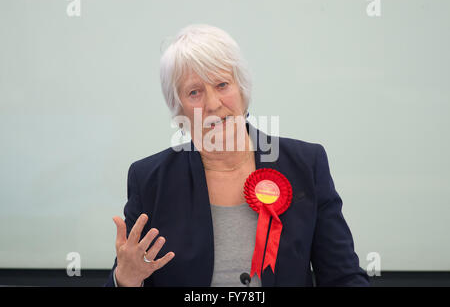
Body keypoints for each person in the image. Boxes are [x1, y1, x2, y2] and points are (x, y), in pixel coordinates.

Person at [104, 24, 370, 287]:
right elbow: (128, 276)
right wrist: (125, 281)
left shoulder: (306, 164)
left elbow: (343, 277)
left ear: (242, 89)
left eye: (222, 85)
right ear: (178, 108)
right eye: (194, 92)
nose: (212, 104)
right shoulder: (149, 179)